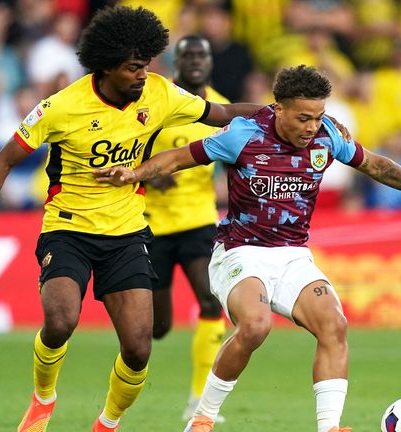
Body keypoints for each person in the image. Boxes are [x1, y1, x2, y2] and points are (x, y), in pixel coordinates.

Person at [94, 65, 401, 432]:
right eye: (303, 118)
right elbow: (180, 157)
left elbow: (375, 165)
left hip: (293, 254)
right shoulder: (243, 135)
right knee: (256, 326)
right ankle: (202, 419)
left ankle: (329, 426)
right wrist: (135, 173)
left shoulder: (329, 136)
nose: (312, 127)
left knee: (334, 324)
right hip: (239, 251)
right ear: (278, 108)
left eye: (318, 116)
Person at [0, 6, 261, 432]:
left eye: (146, 66)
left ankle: (107, 423)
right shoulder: (61, 107)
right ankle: (43, 400)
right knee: (60, 321)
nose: (143, 75)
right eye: (134, 68)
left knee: (139, 347)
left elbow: (220, 114)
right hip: (68, 228)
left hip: (127, 232)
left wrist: (276, 112)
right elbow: (3, 160)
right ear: (106, 66)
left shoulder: (160, 93)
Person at [143, 35, 230, 422]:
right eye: (188, 56)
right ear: (175, 64)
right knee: (159, 327)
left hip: (198, 221)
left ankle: (199, 399)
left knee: (211, 301)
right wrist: (147, 179)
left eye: (201, 55)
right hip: (153, 224)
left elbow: (237, 159)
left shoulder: (219, 109)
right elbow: (127, 149)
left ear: (210, 63)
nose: (195, 61)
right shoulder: (159, 102)